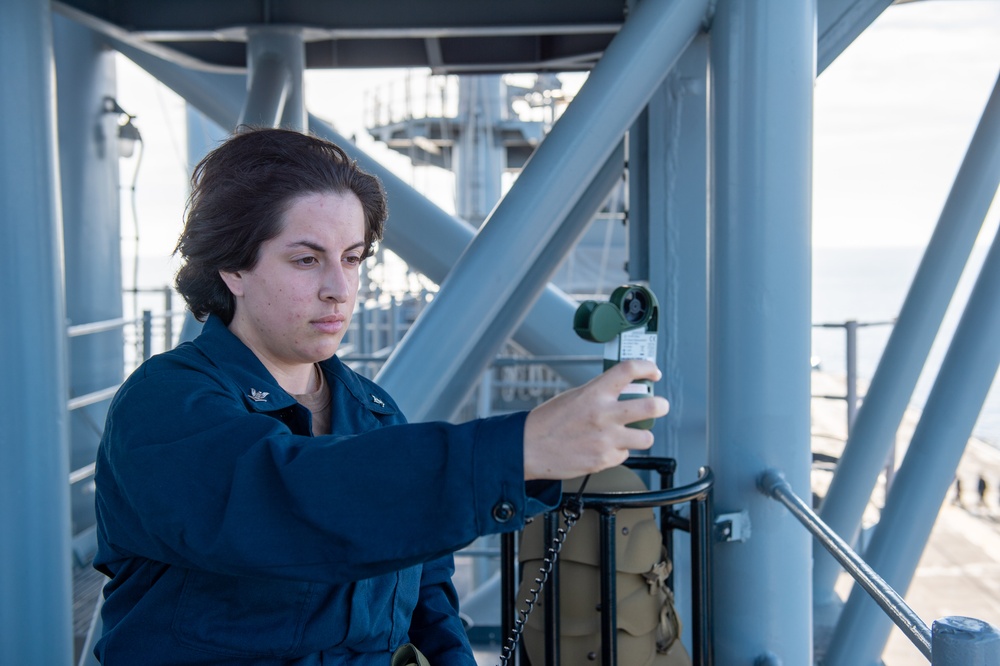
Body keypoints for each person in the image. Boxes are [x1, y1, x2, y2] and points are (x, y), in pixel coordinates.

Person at [93, 127, 669, 665]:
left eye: (352, 258)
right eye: (306, 259)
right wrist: (518, 449)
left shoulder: (373, 409)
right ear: (231, 269)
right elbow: (285, 500)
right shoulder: (162, 403)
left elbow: (427, 591)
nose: (339, 291)